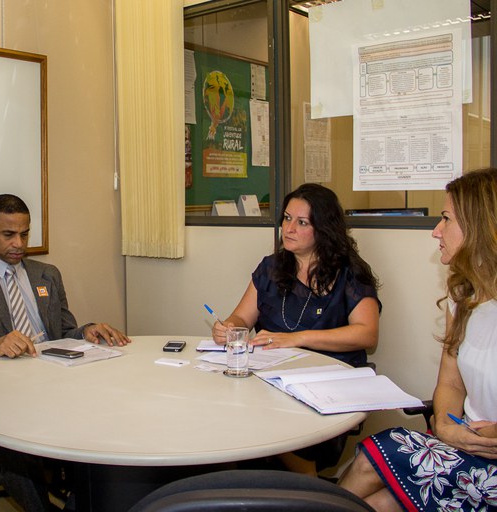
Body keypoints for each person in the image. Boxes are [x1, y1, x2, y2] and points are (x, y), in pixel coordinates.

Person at [0, 193, 130, 510]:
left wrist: (86, 330)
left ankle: (87, 500)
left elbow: (64, 332)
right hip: (3, 391)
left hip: (55, 380)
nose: (19, 243)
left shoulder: (47, 274)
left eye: (25, 234)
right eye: (8, 234)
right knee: (12, 447)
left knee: (104, 416)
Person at [339, 168, 497, 512]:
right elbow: (451, 384)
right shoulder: (464, 297)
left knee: (376, 454)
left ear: (481, 227)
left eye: (446, 219)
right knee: (377, 501)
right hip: (461, 448)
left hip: (488, 466)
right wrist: (444, 426)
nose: (436, 232)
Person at [211, 183, 381, 475]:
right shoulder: (271, 268)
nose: (288, 228)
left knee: (269, 425)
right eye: (287, 218)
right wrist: (229, 328)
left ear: (324, 229)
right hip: (270, 380)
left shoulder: (349, 273)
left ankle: (307, 487)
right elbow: (241, 318)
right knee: (225, 416)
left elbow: (366, 333)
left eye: (301, 222)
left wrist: (296, 339)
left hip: (327, 384)